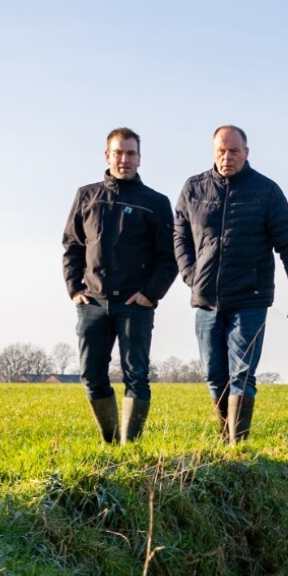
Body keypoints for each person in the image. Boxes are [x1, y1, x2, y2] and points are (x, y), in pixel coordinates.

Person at [174, 126, 288, 443]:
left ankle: (239, 447)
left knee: (242, 375)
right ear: (213, 151)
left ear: (246, 152)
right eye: (221, 151)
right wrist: (191, 276)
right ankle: (225, 441)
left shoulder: (266, 191)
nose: (227, 157)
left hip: (250, 299)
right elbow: (179, 236)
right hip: (206, 299)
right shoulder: (194, 188)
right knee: (214, 376)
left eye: (234, 151)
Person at [63, 128, 177, 443]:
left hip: (134, 305)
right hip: (93, 303)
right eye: (118, 152)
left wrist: (150, 294)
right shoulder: (87, 196)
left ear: (139, 158)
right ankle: (110, 442)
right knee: (91, 375)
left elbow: (169, 256)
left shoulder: (156, 202)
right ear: (107, 155)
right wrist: (75, 289)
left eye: (130, 153)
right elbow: (72, 247)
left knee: (136, 376)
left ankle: (130, 445)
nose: (124, 159)